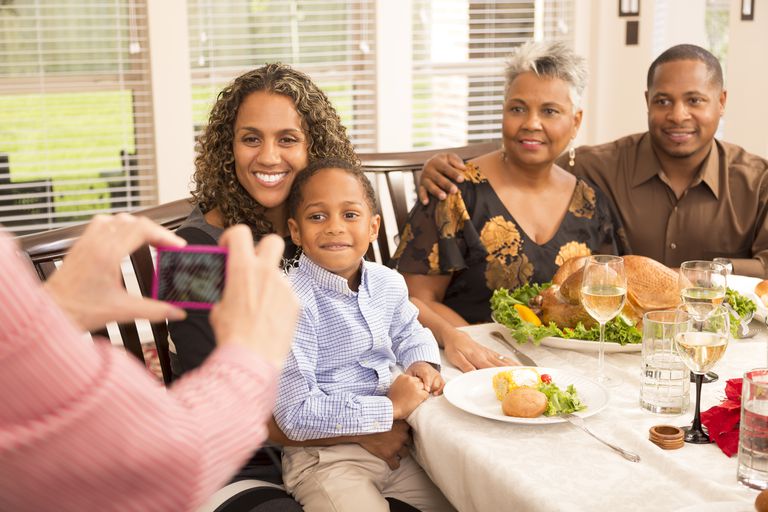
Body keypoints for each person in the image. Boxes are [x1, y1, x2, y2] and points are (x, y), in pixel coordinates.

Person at [170, 63, 503, 378]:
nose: (269, 157)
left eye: (287, 139)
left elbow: (374, 296)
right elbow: (206, 382)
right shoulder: (189, 253)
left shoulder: (322, 223)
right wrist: (367, 428)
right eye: (251, 139)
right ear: (229, 148)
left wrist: (450, 335)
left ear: (314, 147)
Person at [0, 213, 299, 512]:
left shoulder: (319, 235)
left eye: (347, 213)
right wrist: (254, 351)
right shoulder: (195, 244)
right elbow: (162, 464)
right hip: (246, 459)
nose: (271, 161)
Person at [420, 44, 768, 277]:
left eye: (694, 100)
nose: (678, 115)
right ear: (647, 101)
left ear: (721, 101)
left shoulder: (756, 180)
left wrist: (693, 274)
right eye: (663, 101)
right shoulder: (595, 167)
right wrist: (444, 165)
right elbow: (529, 151)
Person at [391, 41, 625, 336]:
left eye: (550, 111)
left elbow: (607, 299)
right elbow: (416, 299)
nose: (531, 123)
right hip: (466, 362)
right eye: (517, 108)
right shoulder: (455, 191)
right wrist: (483, 349)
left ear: (576, 122)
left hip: (563, 366)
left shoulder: (590, 204)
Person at [275, 157, 454, 512]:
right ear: (295, 231)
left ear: (373, 228)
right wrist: (389, 408)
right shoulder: (289, 302)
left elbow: (409, 330)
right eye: (317, 216)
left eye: (350, 215)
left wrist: (421, 361)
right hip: (325, 459)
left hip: (398, 448)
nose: (334, 227)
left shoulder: (387, 282)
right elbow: (294, 414)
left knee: (457, 500)